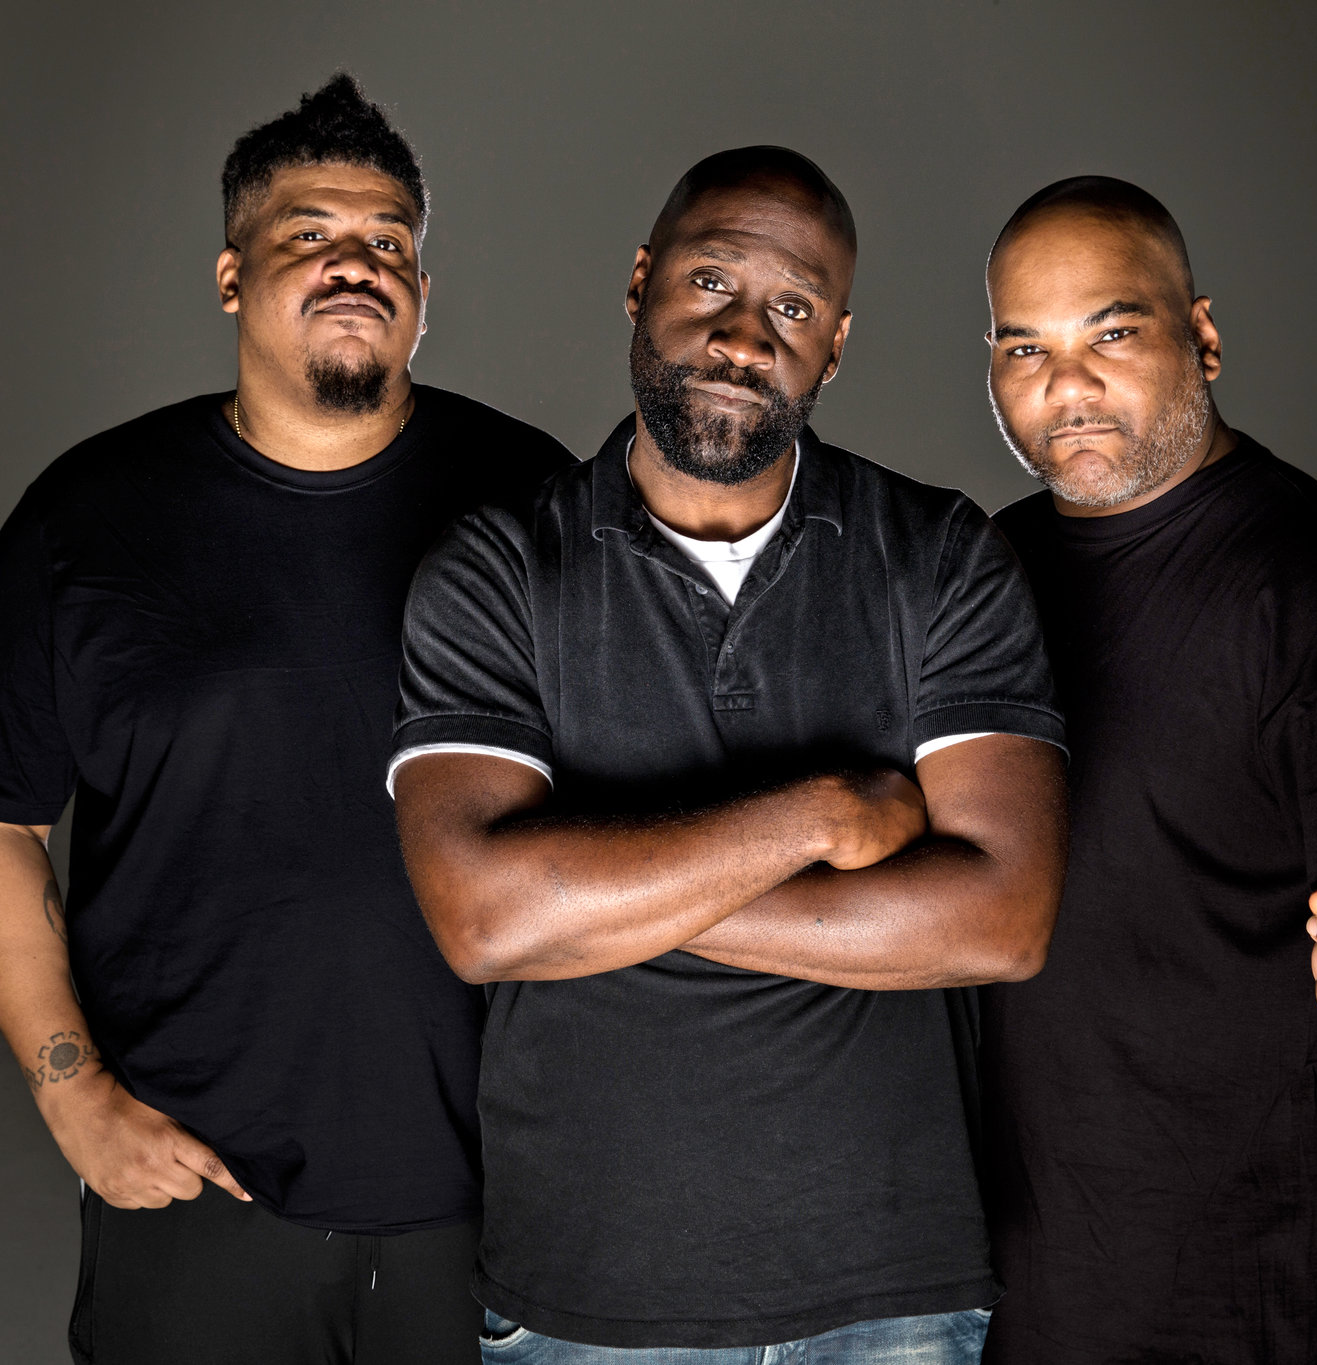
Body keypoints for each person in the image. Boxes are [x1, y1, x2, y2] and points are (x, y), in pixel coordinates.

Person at [0, 74, 573, 1365]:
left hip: (508, 1192)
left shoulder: (531, 497)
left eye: (388, 242)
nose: (354, 263)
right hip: (197, 1188)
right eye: (309, 235)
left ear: (423, 289)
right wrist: (71, 1095)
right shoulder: (88, 517)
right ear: (230, 277)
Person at [387, 146, 1069, 1363]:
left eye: (792, 307)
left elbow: (999, 920)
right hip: (588, 1296)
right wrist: (815, 817)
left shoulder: (940, 557)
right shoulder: (494, 573)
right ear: (642, 281)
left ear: (836, 343)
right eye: (710, 283)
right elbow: (486, 923)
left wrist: (603, 883)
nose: (744, 337)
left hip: (890, 1292)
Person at [974, 175, 1317, 1365]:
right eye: (1025, 347)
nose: (1065, 385)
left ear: (1201, 336)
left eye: (1111, 333)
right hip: (1001, 1252)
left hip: (1231, 1266)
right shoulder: (982, 574)